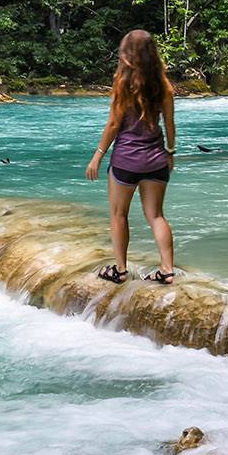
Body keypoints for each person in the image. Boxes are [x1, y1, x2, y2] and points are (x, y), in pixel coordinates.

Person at [84, 29, 177, 284]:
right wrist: (170, 152)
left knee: (118, 215)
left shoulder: (122, 85)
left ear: (128, 55)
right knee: (156, 216)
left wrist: (98, 156)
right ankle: (167, 270)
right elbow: (169, 123)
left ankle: (121, 270)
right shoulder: (164, 86)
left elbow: (114, 125)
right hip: (156, 159)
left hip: (125, 161)